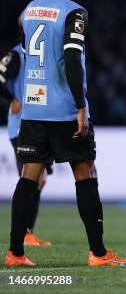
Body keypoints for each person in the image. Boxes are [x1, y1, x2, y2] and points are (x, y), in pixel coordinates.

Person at [4, 0, 126, 267]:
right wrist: (80, 106)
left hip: (33, 110)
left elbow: (23, 36)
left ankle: (15, 253)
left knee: (28, 177)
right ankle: (98, 254)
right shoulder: (75, 12)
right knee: (85, 173)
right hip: (63, 108)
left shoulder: (29, 9)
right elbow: (73, 59)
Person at [0, 40, 52, 247]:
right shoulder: (15, 56)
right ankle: (23, 234)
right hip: (21, 126)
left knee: (40, 179)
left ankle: (27, 232)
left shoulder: (42, 53)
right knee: (31, 178)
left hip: (39, 124)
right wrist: (12, 99)